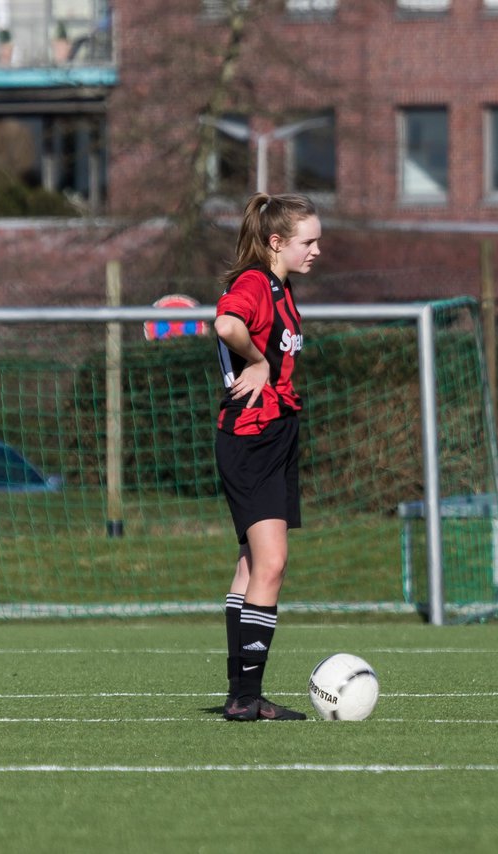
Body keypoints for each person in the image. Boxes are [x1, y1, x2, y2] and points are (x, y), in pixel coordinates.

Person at [214, 192, 321, 720]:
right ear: (276, 242)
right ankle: (246, 697)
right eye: (309, 241)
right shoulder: (256, 281)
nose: (317, 250)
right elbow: (226, 325)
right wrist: (256, 362)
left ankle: (242, 693)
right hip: (252, 437)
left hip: (274, 435)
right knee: (272, 563)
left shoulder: (282, 287)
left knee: (253, 564)